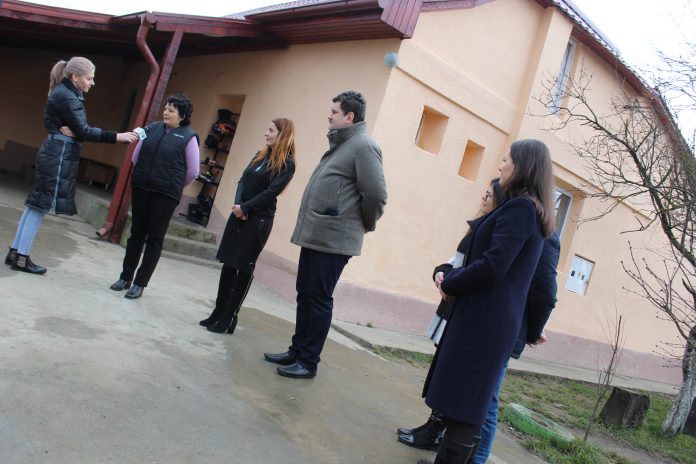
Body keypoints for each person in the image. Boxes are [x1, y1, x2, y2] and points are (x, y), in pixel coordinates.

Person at [418, 139, 555, 464]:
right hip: (486, 318)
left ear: (522, 166)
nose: (501, 165)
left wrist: (451, 283)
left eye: (506, 159)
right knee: (463, 400)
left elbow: (494, 265)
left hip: (485, 321)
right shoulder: (525, 208)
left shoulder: (521, 209)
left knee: (465, 405)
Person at [398, 229, 561, 462]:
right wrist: (444, 273)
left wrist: (533, 331)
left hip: (501, 328)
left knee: (486, 403)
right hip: (482, 320)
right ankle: (443, 446)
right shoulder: (510, 221)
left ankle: (477, 460)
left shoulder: (542, 233)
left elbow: (545, 293)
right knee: (471, 396)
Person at [263, 90, 388, 379]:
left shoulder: (364, 146)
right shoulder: (342, 144)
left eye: (334, 112)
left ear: (349, 116)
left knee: (318, 299)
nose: (329, 116)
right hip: (317, 236)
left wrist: (363, 224)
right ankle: (297, 351)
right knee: (306, 295)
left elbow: (376, 195)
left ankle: (308, 362)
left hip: (333, 240)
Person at [398, 178, 506, 452]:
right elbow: (455, 262)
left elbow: (477, 269)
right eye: (483, 193)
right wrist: (440, 273)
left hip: (467, 309)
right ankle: (433, 427)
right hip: (454, 304)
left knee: (468, 388)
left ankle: (439, 434)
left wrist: (451, 280)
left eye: (489, 195)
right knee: (445, 371)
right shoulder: (476, 228)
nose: (483, 198)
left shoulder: (496, 230)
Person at [5, 57, 138, 274]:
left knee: (35, 204)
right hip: (58, 154)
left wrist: (77, 131)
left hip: (55, 152)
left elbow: (79, 130)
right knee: (39, 206)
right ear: (75, 77)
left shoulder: (65, 93)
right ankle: (21, 256)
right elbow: (84, 130)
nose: (92, 83)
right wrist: (118, 136)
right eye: (89, 78)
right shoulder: (67, 96)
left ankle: (15, 253)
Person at [199, 117, 296, 334]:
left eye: (271, 130)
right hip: (239, 214)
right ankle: (218, 312)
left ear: (282, 134)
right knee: (228, 263)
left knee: (243, 267)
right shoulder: (260, 155)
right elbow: (243, 179)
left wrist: (246, 208)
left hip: (258, 221)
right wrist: (239, 205)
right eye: (267, 129)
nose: (266, 133)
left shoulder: (287, 164)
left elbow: (271, 192)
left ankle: (229, 317)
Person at [109, 94, 199, 299]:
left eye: (171, 110)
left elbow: (192, 172)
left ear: (182, 116)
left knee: (154, 239)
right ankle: (125, 277)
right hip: (142, 188)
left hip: (165, 195)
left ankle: (140, 283)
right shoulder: (152, 128)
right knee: (136, 234)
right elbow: (136, 157)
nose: (166, 112)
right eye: (166, 108)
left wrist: (174, 185)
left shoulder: (189, 137)